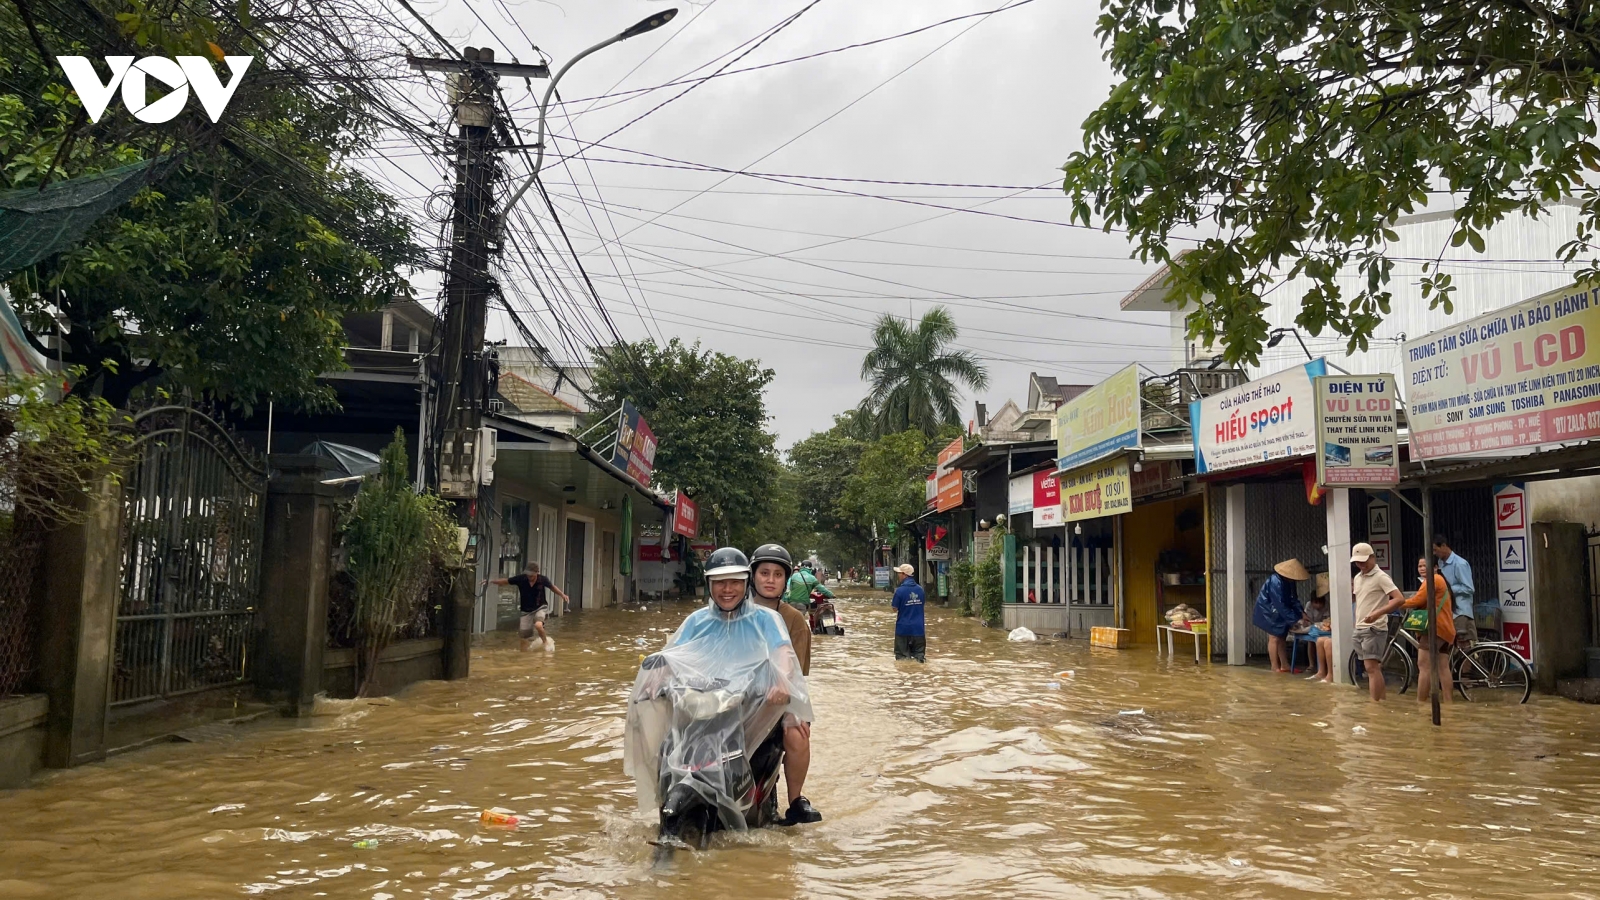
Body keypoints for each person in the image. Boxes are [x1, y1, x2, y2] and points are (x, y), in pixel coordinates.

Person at [748, 543, 822, 826]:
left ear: (785, 580)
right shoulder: (732, 611)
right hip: (738, 698)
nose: (770, 579)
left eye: (777, 574)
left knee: (797, 732)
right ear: (753, 577)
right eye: (764, 573)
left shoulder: (794, 621)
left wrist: (791, 710)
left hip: (780, 699)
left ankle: (795, 800)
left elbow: (796, 676)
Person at [1353, 542, 1406, 701]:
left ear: (1372, 558)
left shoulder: (1381, 577)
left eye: (1363, 561)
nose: (1360, 565)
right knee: (1371, 669)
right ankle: (1380, 703)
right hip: (1360, 627)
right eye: (1357, 562)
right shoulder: (1357, 577)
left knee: (1371, 668)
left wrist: (1377, 613)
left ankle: (1375, 705)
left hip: (1374, 628)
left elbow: (1399, 599)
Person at [485, 562, 569, 651]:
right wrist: (490, 582)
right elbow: (506, 581)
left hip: (540, 607)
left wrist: (562, 595)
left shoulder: (542, 579)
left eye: (532, 576)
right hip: (526, 611)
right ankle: (524, 656)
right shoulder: (521, 579)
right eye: (528, 575)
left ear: (537, 572)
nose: (530, 577)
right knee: (523, 637)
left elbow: (552, 587)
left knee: (538, 625)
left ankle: (546, 643)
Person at [1253, 559, 1310, 673]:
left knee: (1282, 636)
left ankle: (1285, 664)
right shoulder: (1275, 581)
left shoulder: (1290, 581)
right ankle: (1274, 666)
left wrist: (1301, 612)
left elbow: (1294, 599)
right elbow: (1280, 604)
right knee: (1274, 637)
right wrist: (1295, 619)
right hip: (1269, 610)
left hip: (1280, 610)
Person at [1432, 535, 1477, 648]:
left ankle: (1469, 665)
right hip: (1447, 610)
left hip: (1460, 611)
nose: (1434, 553)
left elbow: (1469, 588)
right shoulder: (1440, 563)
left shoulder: (1460, 564)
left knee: (1464, 645)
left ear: (1443, 546)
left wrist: (1449, 589)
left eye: (1435, 550)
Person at [1299, 573, 1334, 681]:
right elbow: (1306, 618)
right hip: (1312, 626)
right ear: (1312, 602)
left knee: (1323, 641)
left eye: (1320, 603)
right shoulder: (1309, 605)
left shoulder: (1327, 605)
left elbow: (1328, 619)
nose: (1318, 606)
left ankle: (1326, 669)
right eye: (1316, 603)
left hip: (1323, 627)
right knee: (1311, 641)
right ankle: (1311, 664)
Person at [891, 563, 926, 662]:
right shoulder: (920, 590)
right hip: (919, 630)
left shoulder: (900, 591)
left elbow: (894, 608)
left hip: (903, 629)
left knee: (902, 660)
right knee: (919, 659)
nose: (898, 575)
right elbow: (922, 604)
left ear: (904, 575)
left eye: (899, 573)